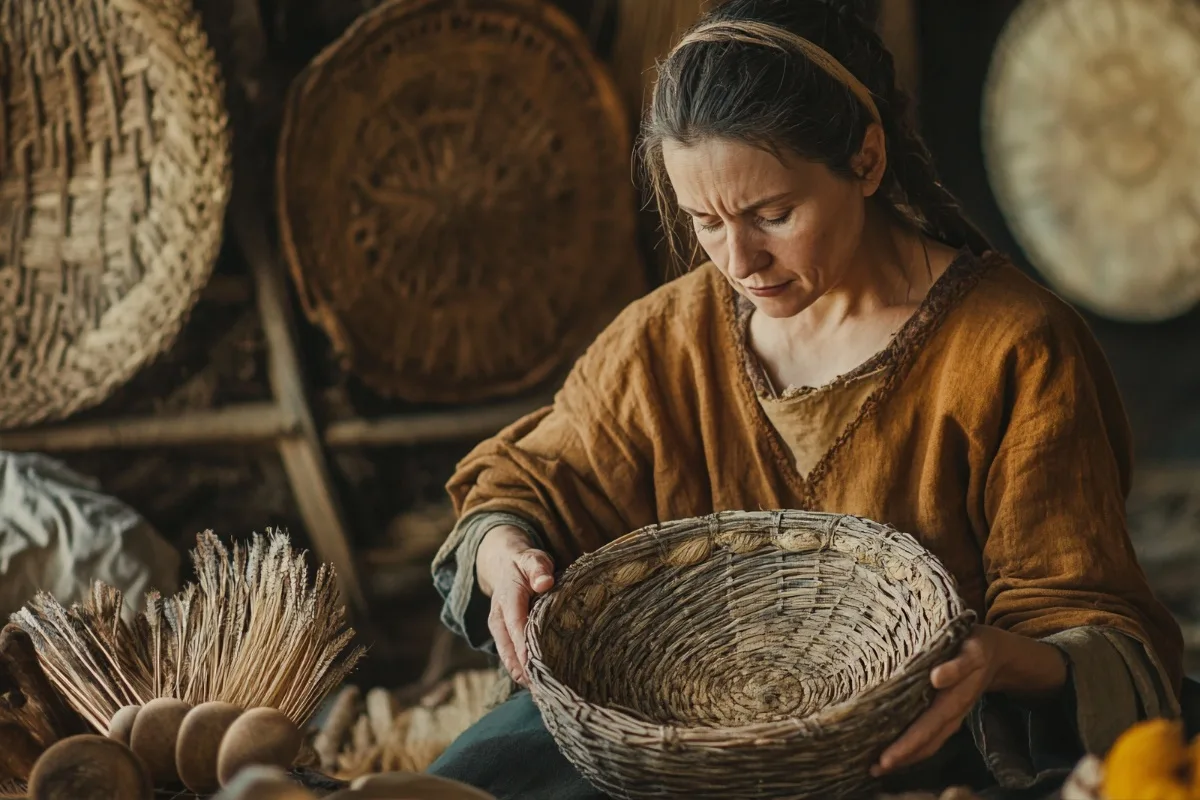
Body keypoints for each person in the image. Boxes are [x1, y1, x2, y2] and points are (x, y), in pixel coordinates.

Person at [427, 1, 1192, 797]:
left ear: (865, 162)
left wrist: (999, 658)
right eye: (704, 222)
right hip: (681, 739)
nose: (740, 260)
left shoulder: (1012, 347)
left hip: (921, 735)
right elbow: (530, 480)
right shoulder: (670, 335)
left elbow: (1091, 624)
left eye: (773, 215)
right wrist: (505, 549)